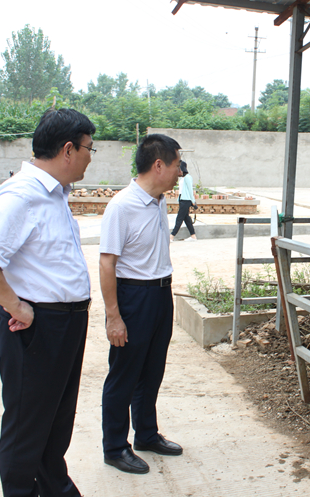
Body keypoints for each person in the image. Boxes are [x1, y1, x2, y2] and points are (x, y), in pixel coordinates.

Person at [0, 108, 96, 497]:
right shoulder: (23, 193)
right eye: (89, 148)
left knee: (55, 421)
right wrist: (15, 306)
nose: (91, 156)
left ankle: (54, 486)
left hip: (65, 324)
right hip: (40, 328)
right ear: (68, 149)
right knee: (27, 426)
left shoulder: (53, 194)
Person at [100, 134, 184, 475]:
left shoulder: (159, 200)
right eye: (177, 165)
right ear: (159, 165)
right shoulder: (122, 206)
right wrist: (113, 317)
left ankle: (147, 434)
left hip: (161, 294)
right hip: (134, 298)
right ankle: (115, 447)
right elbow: (107, 263)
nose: (180, 172)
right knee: (124, 375)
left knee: (152, 371)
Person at [170, 160, 197, 242]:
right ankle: (193, 236)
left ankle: (171, 236)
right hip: (182, 200)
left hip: (186, 200)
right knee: (186, 219)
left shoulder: (188, 177)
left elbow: (190, 190)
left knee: (179, 218)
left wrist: (193, 201)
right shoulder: (182, 178)